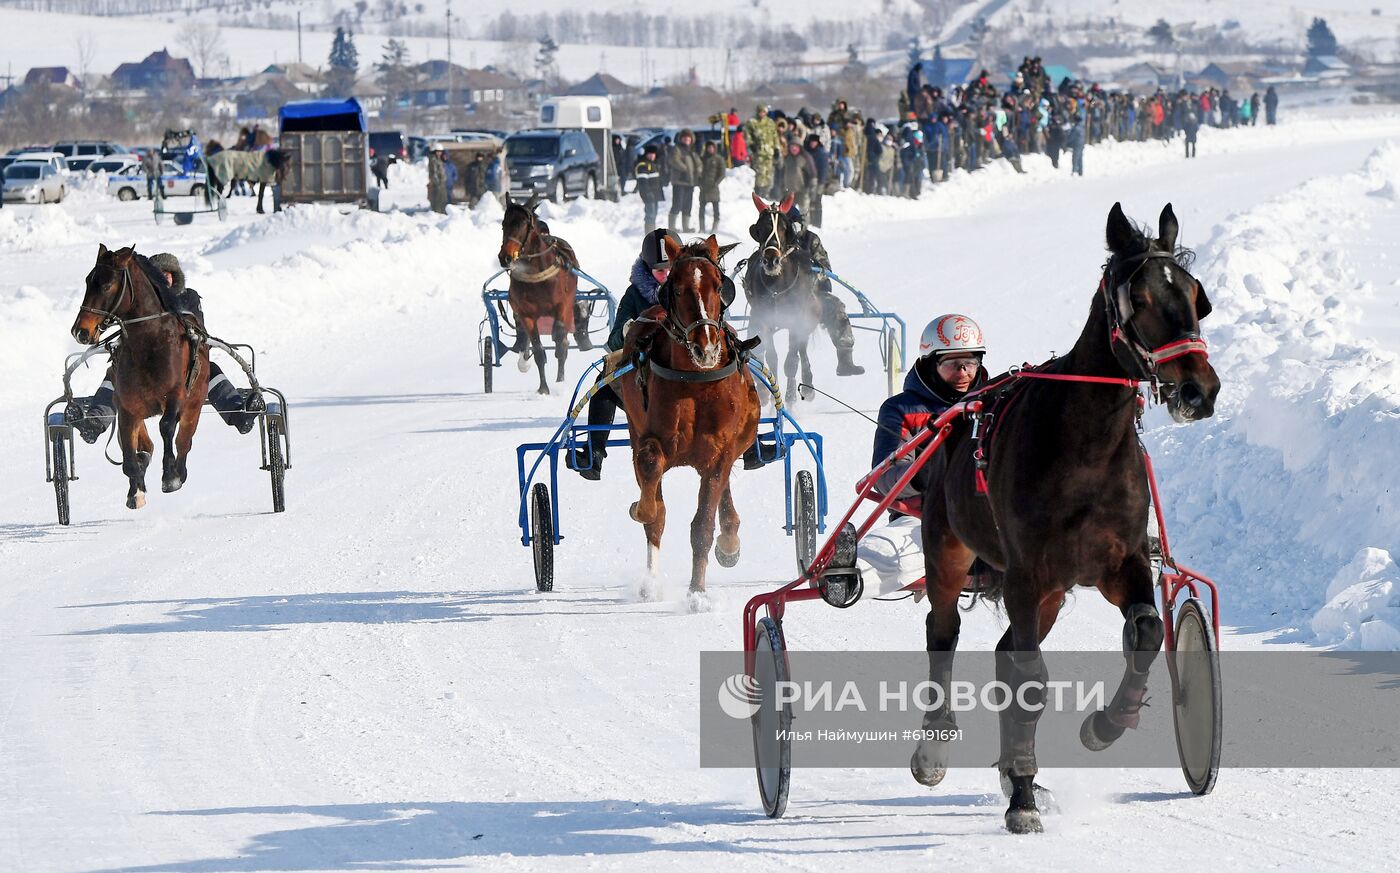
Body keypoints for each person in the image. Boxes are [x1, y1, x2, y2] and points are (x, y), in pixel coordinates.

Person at [65, 253, 264, 443]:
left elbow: (199, 328)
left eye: (168, 274)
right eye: (159, 274)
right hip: (145, 368)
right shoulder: (140, 304)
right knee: (115, 374)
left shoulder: (189, 297)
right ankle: (94, 423)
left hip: (182, 365)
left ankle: (240, 415)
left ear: (175, 276)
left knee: (210, 370)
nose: (164, 278)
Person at [856, 314, 988, 592]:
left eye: (970, 363)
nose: (963, 371)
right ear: (930, 363)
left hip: (990, 515)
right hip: (923, 516)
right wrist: (926, 475)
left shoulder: (994, 402)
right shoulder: (900, 409)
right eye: (952, 363)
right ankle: (848, 577)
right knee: (894, 555)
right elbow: (884, 475)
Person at [572, 230, 680, 480]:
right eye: (659, 271)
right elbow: (614, 341)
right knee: (605, 384)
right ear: (647, 268)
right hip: (644, 371)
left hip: (684, 369)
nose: (665, 277)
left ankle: (749, 444)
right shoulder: (635, 294)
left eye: (669, 270)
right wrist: (628, 329)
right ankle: (595, 452)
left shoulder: (690, 286)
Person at [784, 204, 864, 376]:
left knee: (836, 306)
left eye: (793, 224)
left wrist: (808, 267)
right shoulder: (776, 243)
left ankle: (845, 360)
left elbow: (825, 269)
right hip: (783, 297)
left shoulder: (810, 240)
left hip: (814, 293)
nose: (790, 228)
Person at [667, 129, 701, 232]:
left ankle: (686, 227)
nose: (687, 139)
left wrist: (699, 170)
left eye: (688, 137)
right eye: (684, 137)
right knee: (677, 204)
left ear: (691, 139)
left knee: (688, 205)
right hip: (679, 181)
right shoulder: (677, 149)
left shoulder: (692, 152)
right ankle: (672, 227)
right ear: (681, 139)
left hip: (690, 182)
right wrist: (685, 169)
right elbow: (673, 160)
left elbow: (699, 164)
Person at [634, 144, 665, 233]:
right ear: (646, 154)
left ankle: (652, 233)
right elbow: (643, 183)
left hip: (655, 194)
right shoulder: (642, 165)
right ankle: (649, 234)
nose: (652, 155)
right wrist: (648, 194)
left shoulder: (654, 164)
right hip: (649, 195)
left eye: (653, 154)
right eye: (650, 154)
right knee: (650, 215)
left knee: (654, 214)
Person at [697, 140, 725, 233]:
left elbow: (722, 174)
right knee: (701, 209)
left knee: (716, 209)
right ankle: (702, 228)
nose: (710, 149)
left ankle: (714, 228)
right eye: (709, 147)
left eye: (712, 147)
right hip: (703, 188)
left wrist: (716, 183)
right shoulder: (702, 158)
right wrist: (699, 183)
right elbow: (698, 171)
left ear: (715, 148)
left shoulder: (719, 159)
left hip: (713, 188)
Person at [427, 145, 448, 214]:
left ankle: (441, 211)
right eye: (438, 152)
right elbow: (434, 172)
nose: (439, 153)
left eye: (440, 152)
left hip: (441, 182)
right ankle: (438, 212)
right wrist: (437, 182)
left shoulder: (439, 160)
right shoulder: (433, 160)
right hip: (437, 183)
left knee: (443, 198)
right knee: (438, 198)